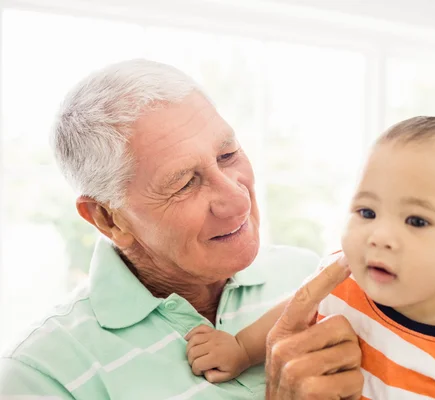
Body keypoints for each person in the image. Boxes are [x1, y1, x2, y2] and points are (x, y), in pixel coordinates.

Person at [0, 59, 363, 399]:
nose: (238, 201)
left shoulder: (306, 275)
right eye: (185, 183)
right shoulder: (44, 375)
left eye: (228, 155)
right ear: (108, 219)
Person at [187, 116, 435, 399]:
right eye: (367, 212)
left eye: (416, 221)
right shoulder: (342, 275)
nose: (379, 236)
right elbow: (293, 315)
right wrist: (240, 349)